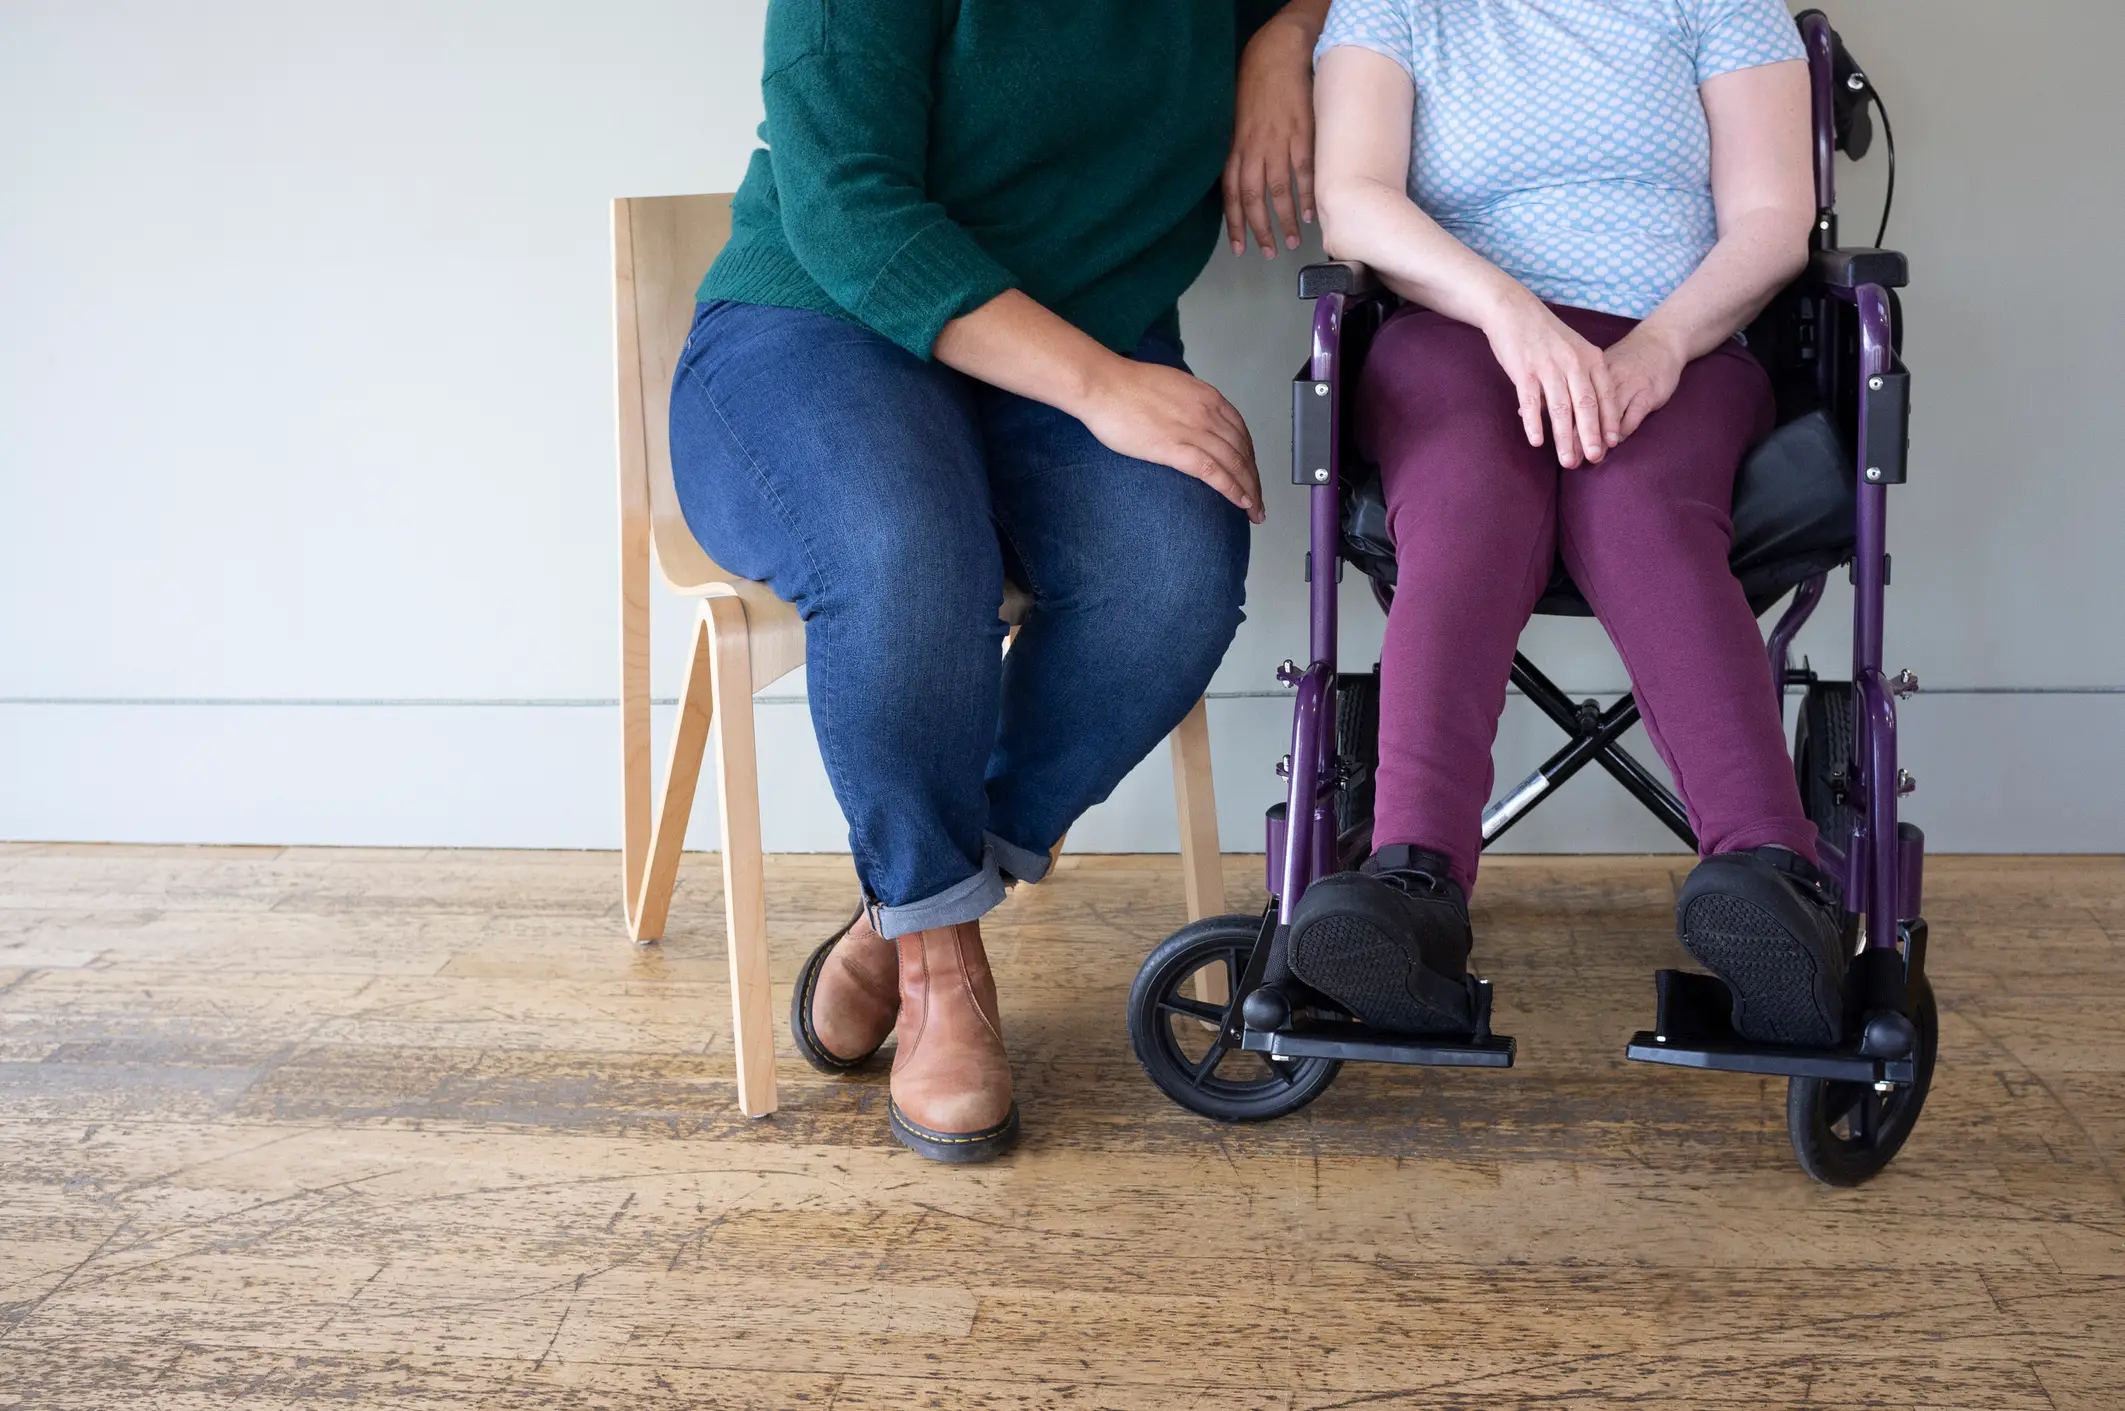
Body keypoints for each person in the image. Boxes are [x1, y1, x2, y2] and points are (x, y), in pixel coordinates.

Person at [670, 0, 1332, 1162]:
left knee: (1171, 578)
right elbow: (846, 206)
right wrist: (1097, 386)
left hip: (1078, 344)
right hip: (820, 326)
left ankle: (908, 901)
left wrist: (1285, 35)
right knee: (908, 558)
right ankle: (938, 962)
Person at [1296, 0, 1849, 1047]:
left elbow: (1775, 219)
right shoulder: (1396, 6)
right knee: (1467, 496)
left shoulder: (1719, 5)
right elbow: (1354, 205)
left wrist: (1658, 347)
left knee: (1641, 508)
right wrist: (1511, 314)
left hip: (1674, 339)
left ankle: (1775, 883)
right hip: (1456, 333)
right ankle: (1411, 884)